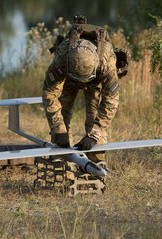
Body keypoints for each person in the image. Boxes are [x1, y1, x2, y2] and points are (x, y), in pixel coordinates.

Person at [42, 16, 120, 164]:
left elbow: (110, 100)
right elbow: (49, 92)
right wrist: (58, 128)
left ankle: (95, 167)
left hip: (95, 81)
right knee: (61, 123)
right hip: (68, 80)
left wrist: (94, 135)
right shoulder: (63, 56)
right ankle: (62, 165)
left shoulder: (106, 61)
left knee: (95, 122)